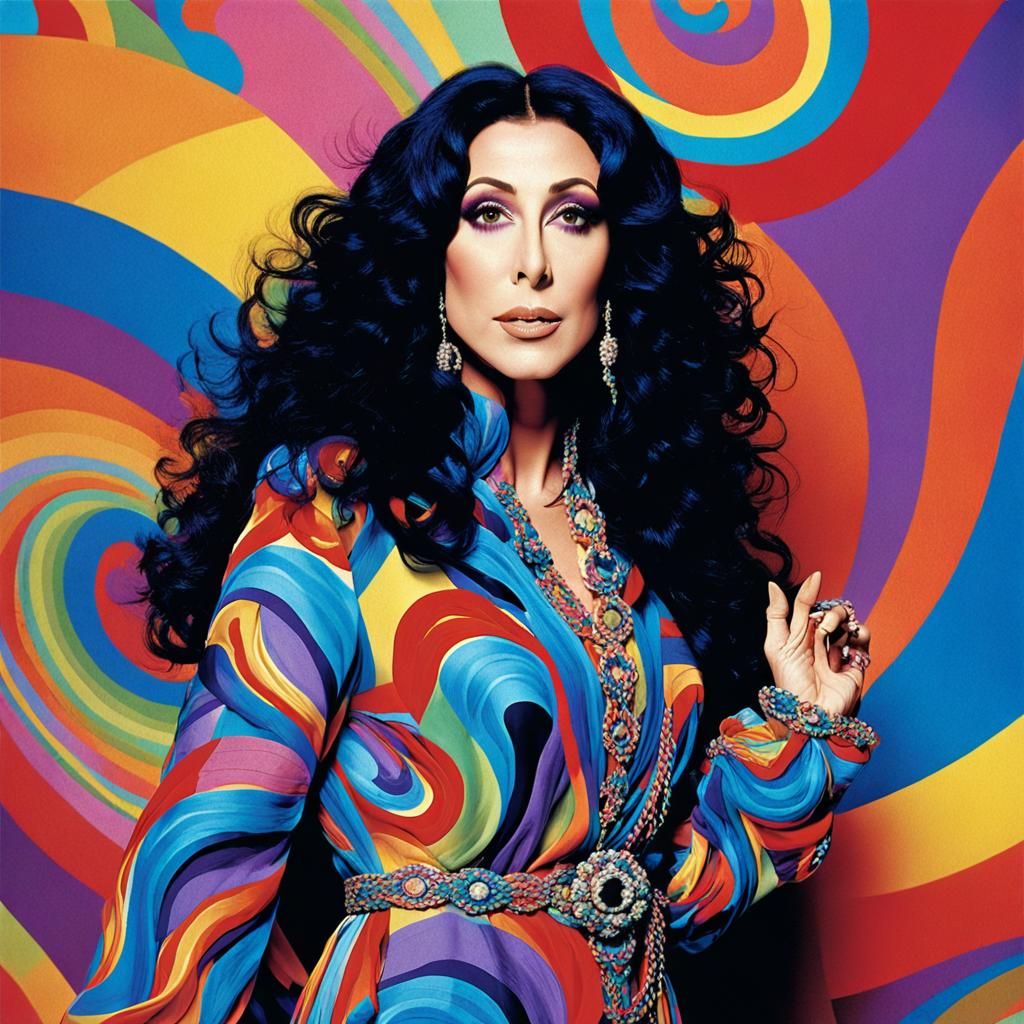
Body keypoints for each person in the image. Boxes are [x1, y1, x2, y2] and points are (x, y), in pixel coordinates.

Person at [63, 63, 878, 1024]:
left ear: (616, 257)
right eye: (488, 213)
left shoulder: (639, 546)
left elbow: (669, 906)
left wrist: (799, 733)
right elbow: (209, 848)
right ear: (432, 252)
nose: (532, 262)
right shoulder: (338, 507)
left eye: (572, 216)